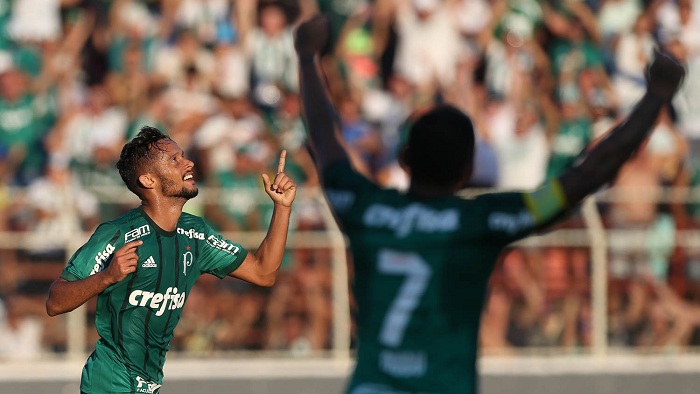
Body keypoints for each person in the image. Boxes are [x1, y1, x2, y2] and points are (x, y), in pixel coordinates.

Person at [294, 15, 686, 394]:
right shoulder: (483, 221)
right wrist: (655, 98)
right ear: (466, 171)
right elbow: (586, 175)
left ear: (404, 160)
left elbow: (325, 138)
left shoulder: (366, 209)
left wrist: (308, 59)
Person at [45, 126, 296, 394]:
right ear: (148, 180)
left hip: (149, 384)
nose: (188, 163)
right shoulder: (117, 233)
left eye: (183, 156)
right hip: (110, 383)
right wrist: (106, 277)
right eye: (174, 160)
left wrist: (282, 208)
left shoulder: (196, 233)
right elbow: (55, 302)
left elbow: (263, 273)